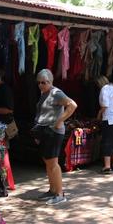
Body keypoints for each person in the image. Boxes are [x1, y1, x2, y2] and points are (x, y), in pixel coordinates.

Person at [33, 69, 77, 205]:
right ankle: (52, 190)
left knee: (53, 163)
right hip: (44, 131)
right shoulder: (44, 93)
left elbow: (72, 105)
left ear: (50, 82)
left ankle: (59, 193)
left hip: (54, 132)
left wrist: (59, 120)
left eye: (44, 82)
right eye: (39, 83)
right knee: (48, 162)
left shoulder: (56, 93)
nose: (41, 85)